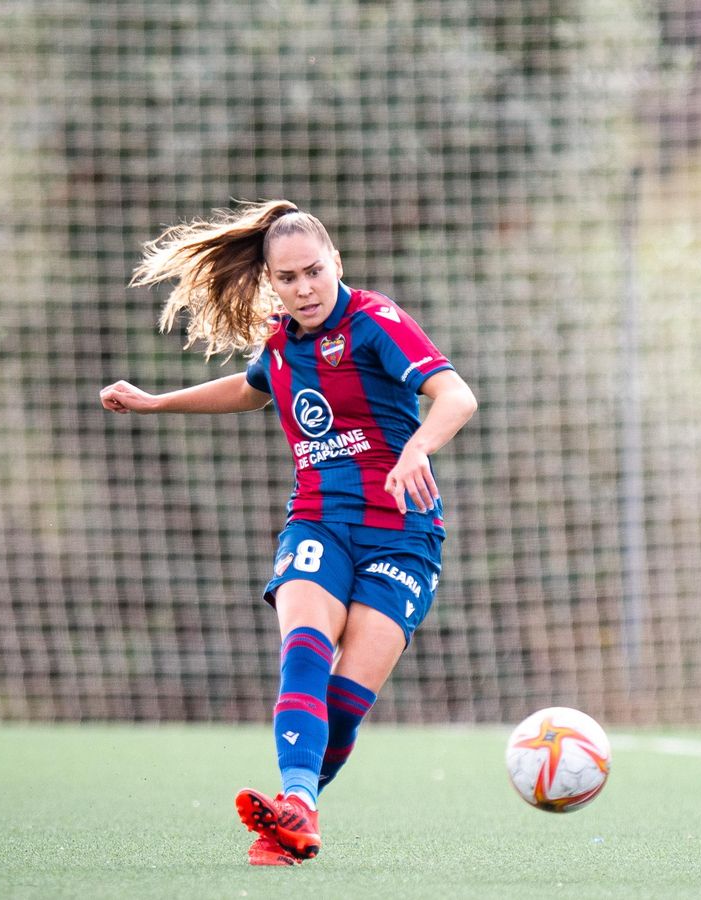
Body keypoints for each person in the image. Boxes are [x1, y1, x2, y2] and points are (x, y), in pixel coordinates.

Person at [100, 200, 477, 866]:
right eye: (288, 277)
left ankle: (293, 814)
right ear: (271, 280)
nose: (303, 288)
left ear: (337, 263)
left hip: (401, 532)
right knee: (304, 647)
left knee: (347, 700)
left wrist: (417, 448)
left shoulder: (374, 322)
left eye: (313, 272)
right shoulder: (280, 343)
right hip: (319, 520)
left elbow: (456, 395)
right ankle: (297, 804)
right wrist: (157, 402)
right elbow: (251, 388)